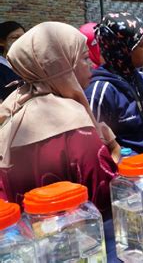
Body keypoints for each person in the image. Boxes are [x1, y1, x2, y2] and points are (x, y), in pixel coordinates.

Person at [0, 22, 118, 215]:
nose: (91, 66)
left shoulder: (13, 112)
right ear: (62, 65)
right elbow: (104, 197)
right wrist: (114, 153)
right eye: (85, 58)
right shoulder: (75, 125)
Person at [85, 12, 143, 154]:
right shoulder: (101, 91)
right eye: (142, 45)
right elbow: (95, 148)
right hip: (126, 172)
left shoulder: (142, 80)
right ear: (123, 49)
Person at [0, 21, 25, 102]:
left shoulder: (28, 66)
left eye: (23, 37)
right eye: (15, 37)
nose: (21, 41)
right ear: (1, 42)